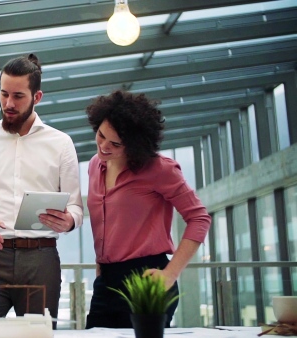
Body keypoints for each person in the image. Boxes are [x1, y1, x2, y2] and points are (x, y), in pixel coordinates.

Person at [0, 54, 83, 328]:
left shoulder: (61, 143)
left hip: (41, 260)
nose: (8, 104)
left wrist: (69, 220)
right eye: (3, 94)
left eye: (18, 96)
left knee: (37, 336)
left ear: (37, 96)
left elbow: (77, 207)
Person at [84, 90, 212, 329]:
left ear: (134, 144)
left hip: (147, 277)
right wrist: (102, 264)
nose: (103, 146)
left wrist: (170, 274)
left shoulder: (159, 169)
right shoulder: (94, 166)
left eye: (115, 144)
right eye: (101, 135)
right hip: (107, 281)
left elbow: (199, 218)